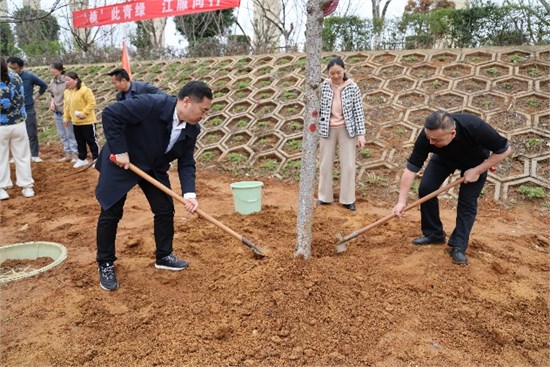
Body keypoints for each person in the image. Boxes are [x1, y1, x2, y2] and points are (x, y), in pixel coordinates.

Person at [94, 80, 212, 291]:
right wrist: (121, 150)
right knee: (111, 210)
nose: (204, 115)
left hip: (153, 166)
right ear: (186, 102)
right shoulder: (152, 104)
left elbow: (186, 162)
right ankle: (105, 263)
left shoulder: (192, 129)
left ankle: (164, 256)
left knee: (165, 209)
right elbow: (111, 113)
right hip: (121, 160)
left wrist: (190, 194)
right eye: (203, 110)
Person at [392, 110, 511, 265]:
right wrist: (401, 201)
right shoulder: (427, 137)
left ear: (452, 133)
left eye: (435, 140)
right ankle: (434, 234)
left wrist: (477, 170)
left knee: (467, 202)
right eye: (429, 138)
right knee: (426, 189)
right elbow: (412, 168)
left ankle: (458, 246)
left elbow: (504, 150)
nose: (430, 143)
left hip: (475, 163)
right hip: (444, 159)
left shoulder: (474, 127)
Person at [317, 57, 366, 212]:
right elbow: (316, 107)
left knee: (349, 165)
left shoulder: (353, 87)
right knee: (325, 164)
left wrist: (361, 134)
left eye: (338, 72)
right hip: (327, 129)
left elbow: (358, 111)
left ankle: (348, 199)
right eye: (332, 73)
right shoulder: (323, 87)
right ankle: (324, 197)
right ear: (328, 74)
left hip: (347, 129)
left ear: (344, 70)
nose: (336, 76)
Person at [0, 57, 35, 200]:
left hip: (1, 126)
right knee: (22, 157)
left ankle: (2, 189)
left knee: (1, 158)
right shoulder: (16, 77)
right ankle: (27, 187)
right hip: (18, 123)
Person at [6, 56, 48, 163]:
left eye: (14, 68)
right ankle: (15, 156)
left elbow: (43, 85)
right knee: (13, 135)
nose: (12, 70)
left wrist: (35, 97)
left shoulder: (29, 76)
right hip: (13, 111)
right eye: (10, 67)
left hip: (27, 109)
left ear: (21, 67)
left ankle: (34, 155)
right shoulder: (6, 77)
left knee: (31, 132)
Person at [63, 71, 99, 168]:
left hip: (88, 121)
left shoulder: (85, 90)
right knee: (79, 141)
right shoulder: (66, 92)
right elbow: (66, 106)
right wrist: (66, 117)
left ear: (75, 80)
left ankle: (97, 159)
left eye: (68, 80)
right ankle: (82, 159)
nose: (66, 82)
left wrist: (84, 113)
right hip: (76, 122)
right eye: (65, 80)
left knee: (91, 140)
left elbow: (92, 103)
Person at [48, 61, 77, 162]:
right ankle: (68, 153)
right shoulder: (52, 81)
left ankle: (75, 154)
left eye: (53, 68)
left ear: (59, 69)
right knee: (63, 134)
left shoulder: (66, 80)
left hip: (67, 111)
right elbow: (53, 94)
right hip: (57, 111)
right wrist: (52, 102)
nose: (51, 70)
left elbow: (72, 93)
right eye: (51, 68)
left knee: (70, 134)